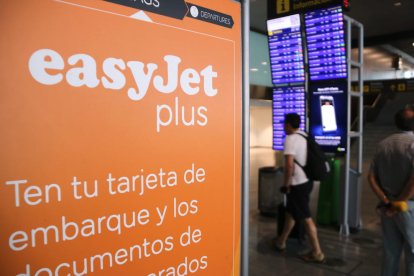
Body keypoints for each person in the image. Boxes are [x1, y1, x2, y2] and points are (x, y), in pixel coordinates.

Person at [368, 107, 414, 276]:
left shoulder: (383, 144)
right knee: (412, 252)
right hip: (408, 207)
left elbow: (371, 178)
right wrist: (398, 204)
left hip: (387, 208)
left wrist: (387, 202)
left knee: (390, 252)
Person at [275, 113, 325, 263]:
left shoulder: (290, 139)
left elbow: (289, 165)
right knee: (291, 212)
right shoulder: (304, 135)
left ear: (289, 125)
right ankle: (281, 241)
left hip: (296, 184)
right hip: (307, 181)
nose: (284, 126)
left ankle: (317, 252)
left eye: (285, 124)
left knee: (306, 217)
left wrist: (286, 184)